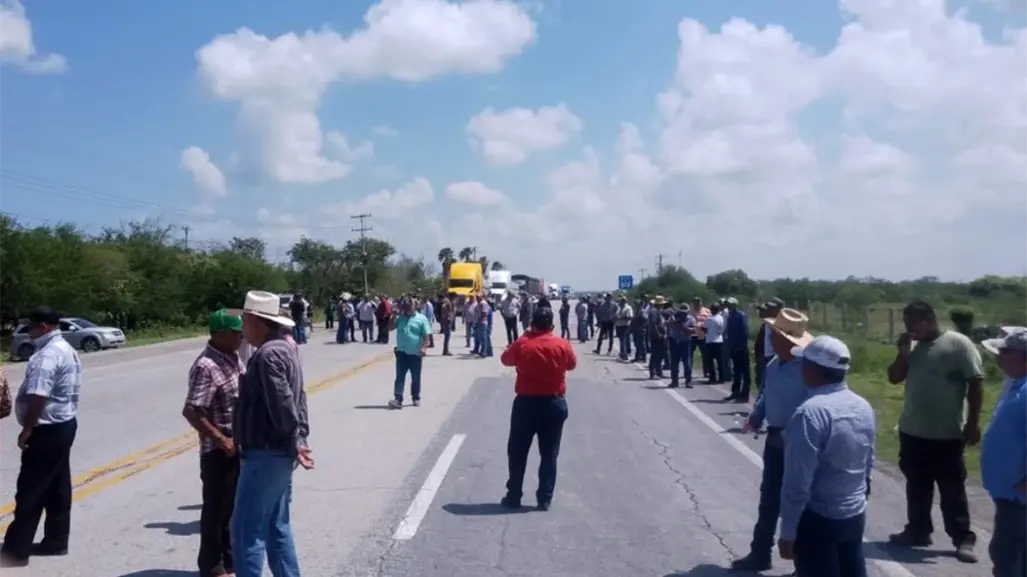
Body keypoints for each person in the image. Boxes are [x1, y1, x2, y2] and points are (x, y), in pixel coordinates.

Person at [886, 300, 982, 562]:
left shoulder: (958, 344)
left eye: (913, 323)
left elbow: (975, 383)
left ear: (929, 320)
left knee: (952, 489)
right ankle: (918, 530)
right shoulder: (914, 348)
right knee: (917, 485)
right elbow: (894, 377)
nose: (909, 329)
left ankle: (963, 538)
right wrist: (903, 354)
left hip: (947, 433)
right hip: (913, 430)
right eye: (906, 324)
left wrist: (973, 422)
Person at [778, 335, 875, 577]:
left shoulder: (810, 414)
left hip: (819, 519)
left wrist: (788, 532)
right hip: (853, 514)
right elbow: (868, 462)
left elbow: (797, 483)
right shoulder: (862, 405)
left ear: (812, 369)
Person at [233, 291, 314, 577]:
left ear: (257, 321)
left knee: (245, 530)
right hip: (278, 451)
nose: (242, 328)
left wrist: (295, 440)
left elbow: (283, 403)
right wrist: (299, 440)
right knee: (275, 526)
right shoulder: (285, 348)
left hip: (265, 453)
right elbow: (298, 399)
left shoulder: (268, 355)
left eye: (244, 320)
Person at [0, 307, 81, 567]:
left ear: (44, 327)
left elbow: (38, 394)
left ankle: (15, 551)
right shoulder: (64, 348)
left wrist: (28, 428)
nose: (28, 330)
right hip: (63, 424)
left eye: (32, 326)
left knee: (31, 490)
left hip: (46, 429)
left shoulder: (47, 355)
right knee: (57, 487)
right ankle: (56, 540)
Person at [733, 308, 813, 572]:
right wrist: (757, 416)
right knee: (769, 499)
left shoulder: (807, 370)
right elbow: (766, 395)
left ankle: (803, 562)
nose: (769, 337)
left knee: (799, 500)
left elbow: (813, 409)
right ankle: (760, 553)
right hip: (775, 440)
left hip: (800, 443)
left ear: (789, 340)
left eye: (775, 334)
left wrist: (791, 436)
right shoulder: (773, 364)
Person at [182, 309, 245, 577]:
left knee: (232, 508)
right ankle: (212, 566)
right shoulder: (206, 365)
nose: (242, 336)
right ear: (220, 334)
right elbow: (193, 410)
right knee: (215, 510)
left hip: (237, 445)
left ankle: (230, 562)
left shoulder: (232, 357)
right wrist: (220, 439)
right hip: (219, 450)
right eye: (236, 332)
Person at [500, 305, 576, 511]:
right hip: (553, 403)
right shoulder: (561, 344)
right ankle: (544, 498)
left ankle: (514, 495)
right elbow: (571, 365)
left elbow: (505, 359)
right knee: (549, 454)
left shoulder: (524, 343)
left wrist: (525, 335)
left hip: (527, 403)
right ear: (552, 324)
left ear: (532, 323)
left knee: (517, 452)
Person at [978, 330, 1027, 577]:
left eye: (1005, 352)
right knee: (1007, 554)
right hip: (1010, 494)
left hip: (1021, 498)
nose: (999, 357)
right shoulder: (1017, 385)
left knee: (1009, 557)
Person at [389, 298, 431, 409]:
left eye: (409, 307)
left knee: (415, 377)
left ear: (414, 306)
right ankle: (398, 399)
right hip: (401, 353)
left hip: (415, 354)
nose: (407, 309)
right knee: (399, 377)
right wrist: (393, 316)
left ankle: (416, 397)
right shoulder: (400, 318)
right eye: (405, 307)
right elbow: (390, 328)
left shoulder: (421, 319)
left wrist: (424, 348)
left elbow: (426, 336)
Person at [724, 297, 752, 403]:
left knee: (745, 371)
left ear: (735, 305)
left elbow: (745, 332)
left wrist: (741, 345)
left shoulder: (741, 315)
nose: (729, 306)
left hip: (741, 347)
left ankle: (745, 394)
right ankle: (735, 392)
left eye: (731, 304)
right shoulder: (730, 316)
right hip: (733, 346)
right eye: (728, 304)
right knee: (736, 371)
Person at [666, 305, 696, 388]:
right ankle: (674, 381)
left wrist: (682, 327)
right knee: (674, 363)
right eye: (681, 312)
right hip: (675, 342)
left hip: (685, 343)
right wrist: (672, 322)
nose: (682, 314)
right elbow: (666, 324)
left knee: (687, 364)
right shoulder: (674, 318)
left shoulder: (690, 319)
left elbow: (693, 330)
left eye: (684, 313)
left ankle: (688, 381)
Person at [704, 303, 725, 384]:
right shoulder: (721, 318)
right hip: (719, 340)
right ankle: (721, 378)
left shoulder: (709, 319)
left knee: (710, 361)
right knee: (720, 361)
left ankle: (713, 378)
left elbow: (705, 329)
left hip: (711, 341)